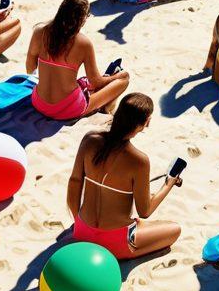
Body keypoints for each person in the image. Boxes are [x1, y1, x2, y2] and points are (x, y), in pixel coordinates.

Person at [67, 93, 182, 259]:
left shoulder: (89, 140)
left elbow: (74, 181)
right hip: (114, 242)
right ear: (146, 122)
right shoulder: (139, 160)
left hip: (83, 231)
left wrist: (77, 221)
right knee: (174, 229)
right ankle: (128, 252)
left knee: (137, 222)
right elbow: (145, 211)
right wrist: (169, 184)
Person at [26, 0, 131, 120]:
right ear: (83, 19)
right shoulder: (84, 43)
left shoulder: (39, 32)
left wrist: (43, 82)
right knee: (123, 80)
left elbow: (30, 63)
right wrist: (117, 77)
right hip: (67, 110)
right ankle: (106, 106)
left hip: (39, 103)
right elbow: (96, 81)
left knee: (83, 82)